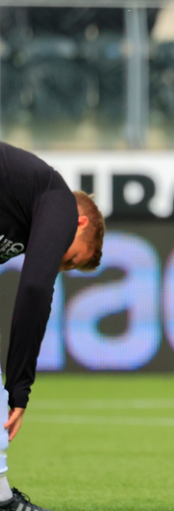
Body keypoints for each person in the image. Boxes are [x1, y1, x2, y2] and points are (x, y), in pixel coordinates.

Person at [0, 142, 106, 511]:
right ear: (80, 223)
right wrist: (19, 387)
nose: (61, 266)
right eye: (72, 258)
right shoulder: (57, 197)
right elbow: (33, 288)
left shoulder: (15, 219)